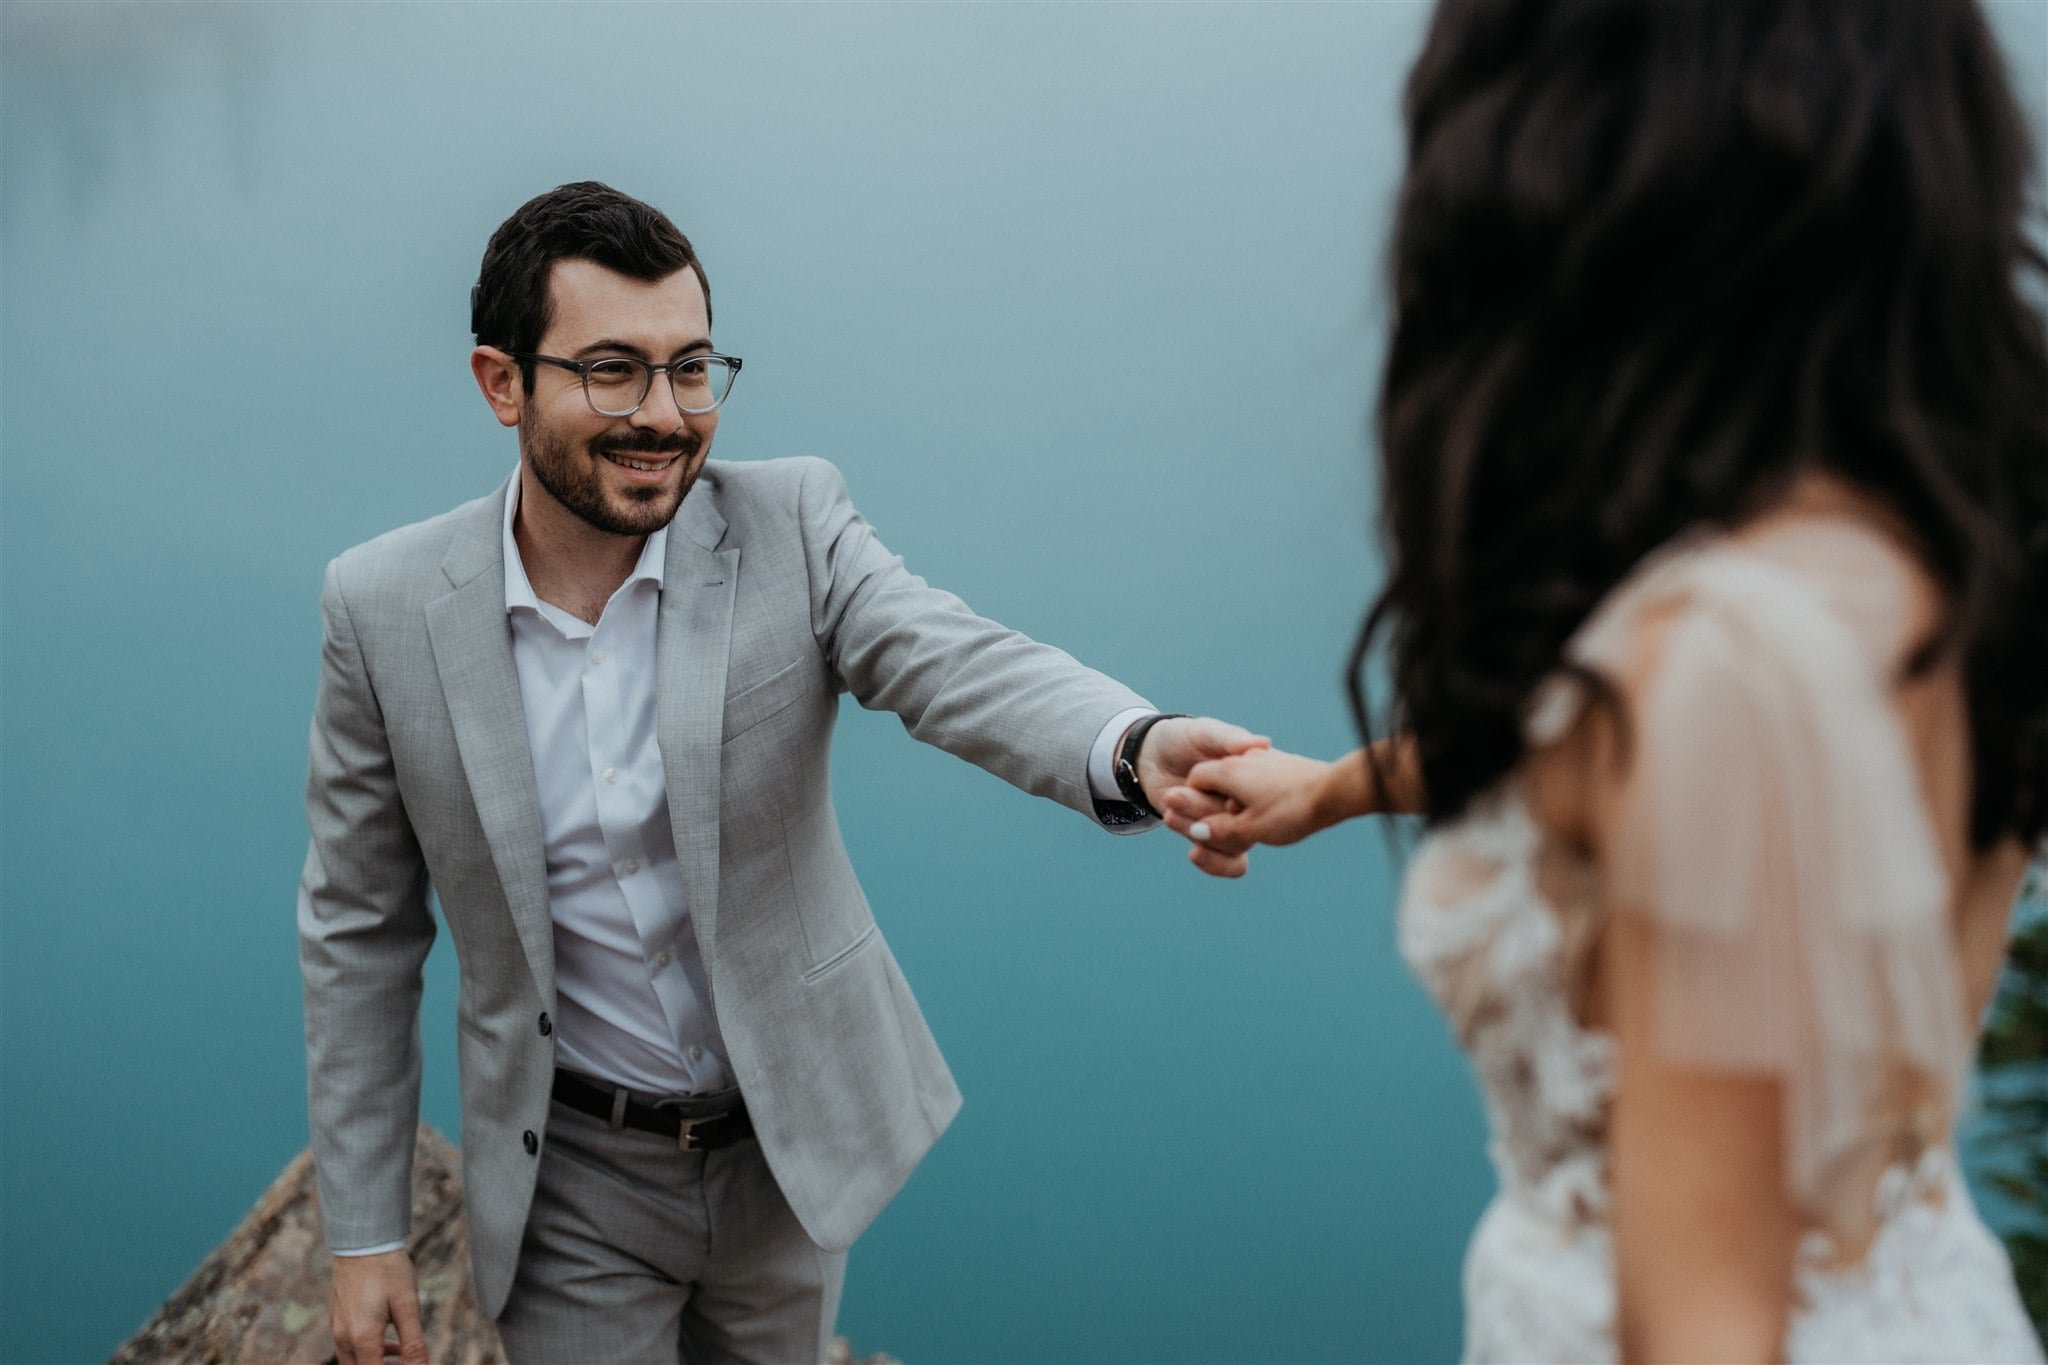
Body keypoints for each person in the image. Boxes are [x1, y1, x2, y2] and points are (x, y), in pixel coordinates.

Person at [1162, 0, 2048, 1360]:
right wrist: (1333, 788)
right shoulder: (1934, 553)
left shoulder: (1724, 667)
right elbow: (1606, 772)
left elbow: (1706, 1326)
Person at [297, 180, 1263, 1365]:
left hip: (790, 1149)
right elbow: (358, 930)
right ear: (503, 384)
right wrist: (363, 1235)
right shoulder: (382, 606)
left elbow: (949, 658)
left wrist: (1134, 745)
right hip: (570, 1185)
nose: (665, 414)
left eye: (691, 367)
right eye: (612, 370)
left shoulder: (790, 524)